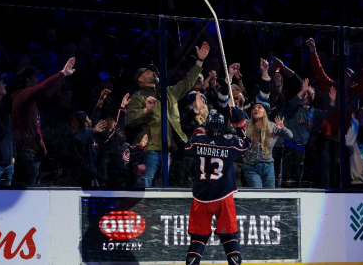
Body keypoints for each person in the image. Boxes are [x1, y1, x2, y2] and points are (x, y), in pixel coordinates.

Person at [126, 41, 210, 187]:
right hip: (151, 149)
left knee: (165, 189)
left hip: (172, 150)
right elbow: (130, 120)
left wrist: (200, 60)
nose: (152, 72)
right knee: (145, 186)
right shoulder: (138, 97)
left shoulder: (169, 92)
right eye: (148, 72)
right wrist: (145, 110)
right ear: (140, 79)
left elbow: (188, 81)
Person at [306, 37, 363, 188]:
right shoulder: (330, 87)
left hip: (347, 143)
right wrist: (313, 52)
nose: (343, 80)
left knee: (345, 175)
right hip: (328, 140)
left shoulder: (355, 92)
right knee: (327, 175)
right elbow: (318, 72)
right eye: (342, 77)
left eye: (347, 78)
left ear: (352, 82)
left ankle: (344, 202)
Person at [184, 109, 251, 265]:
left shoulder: (198, 140)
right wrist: (239, 124)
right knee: (229, 235)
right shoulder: (230, 142)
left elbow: (188, 146)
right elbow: (247, 143)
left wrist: (201, 124)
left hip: (201, 197)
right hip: (223, 195)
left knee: (198, 237)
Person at [11, 57, 75, 185]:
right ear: (27, 79)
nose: (38, 79)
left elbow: (35, 126)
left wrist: (42, 146)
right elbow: (43, 87)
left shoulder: (30, 101)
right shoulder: (22, 96)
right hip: (26, 153)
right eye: (35, 76)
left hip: (33, 153)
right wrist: (62, 73)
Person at [281, 78, 336, 187]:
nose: (303, 96)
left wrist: (332, 102)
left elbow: (328, 113)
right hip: (289, 146)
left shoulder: (312, 111)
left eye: (306, 95)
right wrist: (302, 90)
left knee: (297, 176)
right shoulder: (294, 108)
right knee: (286, 176)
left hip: (301, 149)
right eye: (302, 94)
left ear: (310, 98)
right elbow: (291, 103)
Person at [98, 93, 149, 187]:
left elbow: (132, 151)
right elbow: (120, 125)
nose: (120, 130)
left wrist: (141, 146)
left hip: (125, 179)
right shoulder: (109, 143)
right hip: (112, 182)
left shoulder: (123, 144)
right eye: (115, 127)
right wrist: (122, 108)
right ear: (110, 130)